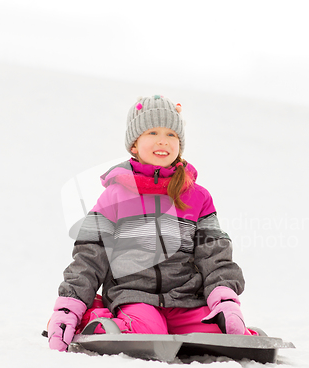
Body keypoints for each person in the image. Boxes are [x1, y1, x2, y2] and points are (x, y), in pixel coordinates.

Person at [48, 95, 255, 352]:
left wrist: (224, 299)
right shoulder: (114, 196)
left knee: (217, 334)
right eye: (152, 132)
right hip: (134, 296)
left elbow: (214, 253)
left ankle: (207, 325)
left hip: (185, 300)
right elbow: (90, 255)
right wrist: (70, 306)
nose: (162, 140)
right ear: (134, 144)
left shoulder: (198, 196)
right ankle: (96, 319)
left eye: (171, 134)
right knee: (147, 332)